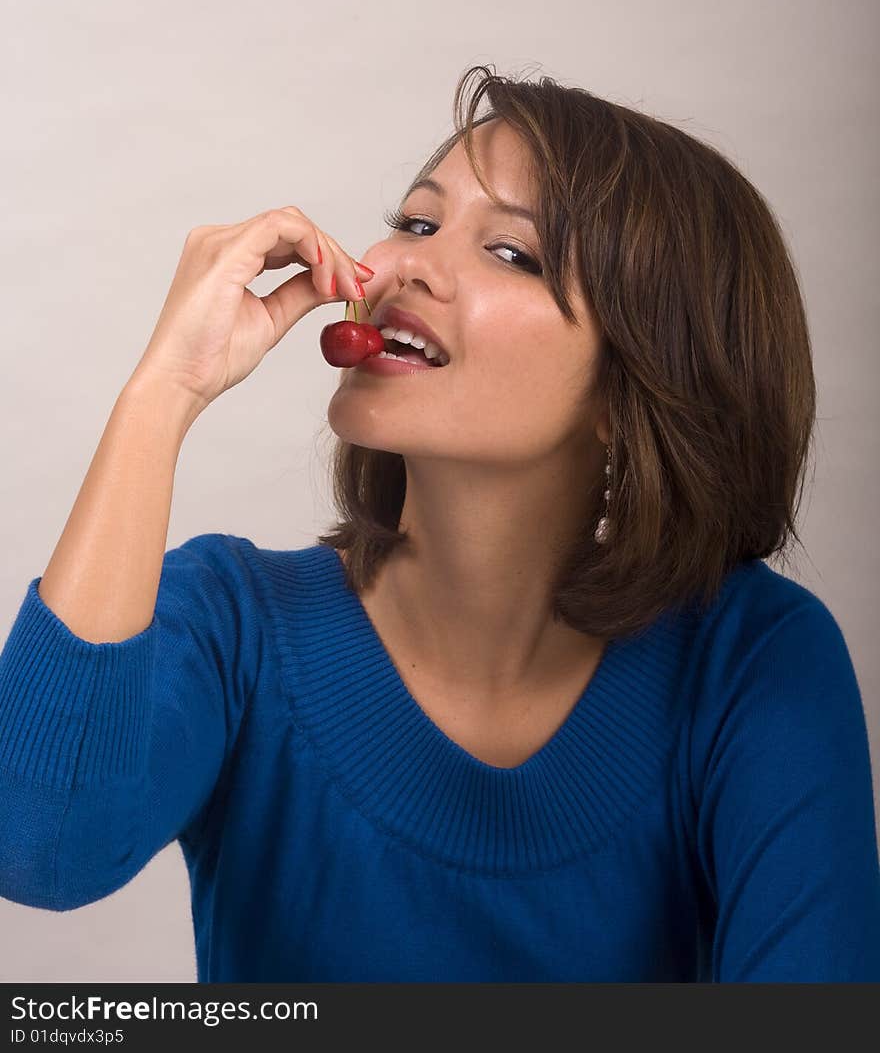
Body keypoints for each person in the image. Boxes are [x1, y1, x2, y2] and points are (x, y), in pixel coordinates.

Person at [1, 64, 878, 983]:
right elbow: (37, 846)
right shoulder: (234, 626)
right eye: (417, 222)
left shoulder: (752, 662)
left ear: (635, 388)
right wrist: (161, 395)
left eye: (511, 253)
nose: (402, 264)